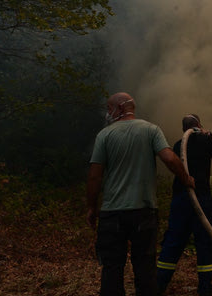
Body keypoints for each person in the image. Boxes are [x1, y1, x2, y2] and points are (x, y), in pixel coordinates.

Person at [86, 92, 195, 296]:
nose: (107, 113)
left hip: (112, 214)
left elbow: (94, 177)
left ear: (120, 108)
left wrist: (92, 207)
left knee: (112, 269)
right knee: (145, 270)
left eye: (109, 108)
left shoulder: (105, 135)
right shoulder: (151, 130)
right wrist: (186, 179)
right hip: (144, 212)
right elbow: (170, 159)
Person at [157, 114, 212, 296]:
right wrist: (209, 136)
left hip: (180, 198)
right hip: (200, 198)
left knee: (173, 241)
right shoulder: (205, 140)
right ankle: (205, 289)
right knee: (204, 242)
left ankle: (159, 285)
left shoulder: (179, 145)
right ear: (198, 125)